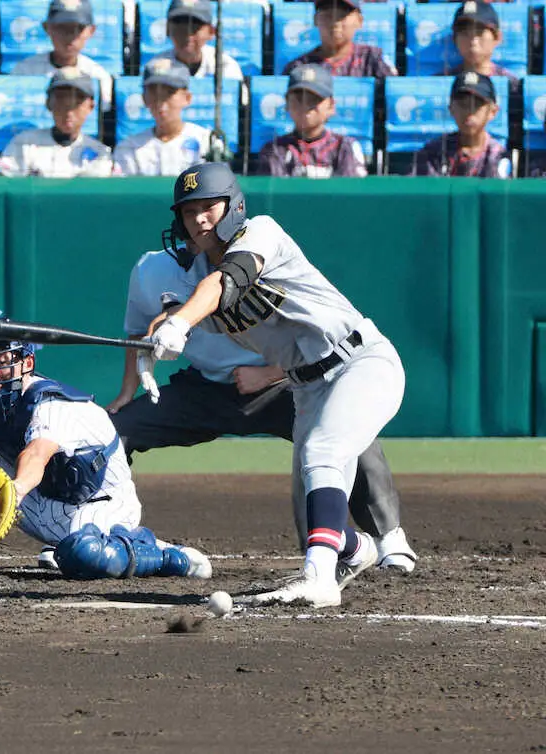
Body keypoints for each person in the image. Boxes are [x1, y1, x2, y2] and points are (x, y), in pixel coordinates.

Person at [145, 162, 406, 607]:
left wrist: (183, 321)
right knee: (315, 495)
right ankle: (357, 550)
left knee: (324, 453)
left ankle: (320, 580)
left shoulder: (260, 232)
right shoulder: (194, 280)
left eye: (209, 206)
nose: (200, 219)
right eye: (190, 212)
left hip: (360, 361)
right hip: (306, 385)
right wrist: (153, 343)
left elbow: (224, 283)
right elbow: (175, 313)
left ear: (233, 205)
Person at [0, 314, 213, 583]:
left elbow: (37, 453)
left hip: (96, 507)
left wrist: (12, 490)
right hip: (42, 500)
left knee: (85, 556)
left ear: (26, 364)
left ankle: (169, 556)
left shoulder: (52, 404)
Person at [0, 67, 114, 177]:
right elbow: (0, 185)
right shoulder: (25, 144)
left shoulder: (100, 153)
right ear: (49, 104)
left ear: (91, 107)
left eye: (76, 102)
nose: (69, 111)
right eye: (61, 101)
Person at [257, 64, 368, 178]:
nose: (306, 105)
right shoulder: (275, 149)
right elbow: (275, 194)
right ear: (287, 103)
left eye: (314, 99)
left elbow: (349, 191)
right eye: (299, 99)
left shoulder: (345, 147)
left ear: (331, 105)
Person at [113, 57, 210, 176]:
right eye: (153, 92)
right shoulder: (130, 147)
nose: (160, 101)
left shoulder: (206, 141)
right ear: (144, 98)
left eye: (169, 92)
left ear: (187, 98)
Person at [11, 0, 114, 112]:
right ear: (47, 28)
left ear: (91, 31)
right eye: (62, 27)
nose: (69, 35)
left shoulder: (99, 77)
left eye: (77, 28)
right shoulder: (24, 72)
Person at [410, 71, 510, 178]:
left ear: (492, 112)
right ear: (451, 109)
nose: (469, 112)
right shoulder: (433, 152)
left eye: (476, 106)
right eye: (463, 105)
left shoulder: (498, 155)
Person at [282, 0, 395, 79]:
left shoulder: (372, 59)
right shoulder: (299, 66)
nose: (335, 23)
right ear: (316, 20)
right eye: (328, 15)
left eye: (342, 16)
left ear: (359, 21)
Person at [146, 0, 243, 82]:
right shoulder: (155, 67)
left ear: (211, 32)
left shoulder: (225, 66)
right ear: (167, 30)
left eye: (194, 27)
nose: (187, 34)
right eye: (180, 26)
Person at [447, 1, 516, 82]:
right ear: (454, 39)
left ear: (497, 37)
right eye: (465, 33)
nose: (473, 41)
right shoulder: (439, 82)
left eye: (479, 32)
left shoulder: (512, 85)